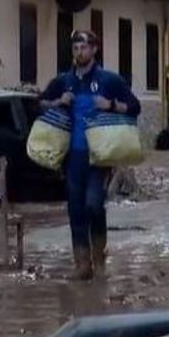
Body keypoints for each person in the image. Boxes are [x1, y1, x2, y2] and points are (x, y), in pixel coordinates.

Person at [40, 30, 141, 280]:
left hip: (99, 156)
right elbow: (39, 102)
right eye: (75, 48)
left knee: (94, 204)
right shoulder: (64, 81)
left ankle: (99, 255)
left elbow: (135, 107)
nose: (79, 53)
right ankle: (82, 264)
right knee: (75, 209)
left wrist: (112, 105)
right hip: (72, 157)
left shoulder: (109, 80)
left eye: (83, 48)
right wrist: (57, 102)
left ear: (94, 49)